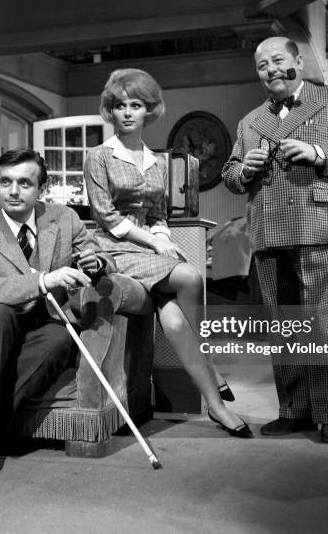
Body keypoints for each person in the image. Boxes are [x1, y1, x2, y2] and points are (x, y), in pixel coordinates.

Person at [222, 37, 328, 443]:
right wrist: (246, 170)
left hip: (318, 225)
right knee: (283, 326)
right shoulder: (250, 121)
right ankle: (294, 410)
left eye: (277, 60)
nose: (270, 70)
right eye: (261, 65)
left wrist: (317, 151)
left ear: (298, 60)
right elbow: (230, 175)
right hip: (270, 231)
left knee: (322, 325)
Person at [84, 68, 252, 438]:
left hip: (146, 246)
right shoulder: (98, 156)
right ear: (110, 111)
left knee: (176, 321)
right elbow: (105, 216)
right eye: (120, 105)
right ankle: (208, 361)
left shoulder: (158, 162)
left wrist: (163, 236)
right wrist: (155, 241)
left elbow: (158, 215)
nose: (127, 112)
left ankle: (216, 407)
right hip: (114, 247)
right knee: (190, 275)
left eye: (136, 105)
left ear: (149, 111)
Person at [0, 149, 114, 473]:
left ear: (40, 187)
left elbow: (103, 256)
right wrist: (43, 279)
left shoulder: (63, 217)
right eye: (5, 182)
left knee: (59, 341)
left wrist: (94, 263)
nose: (13, 191)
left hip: (50, 318)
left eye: (24, 183)